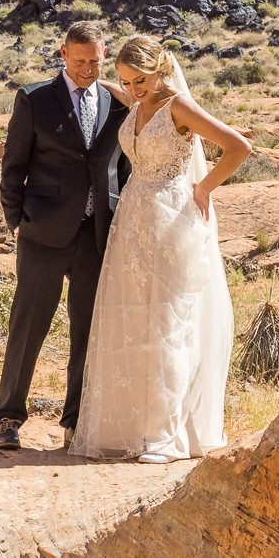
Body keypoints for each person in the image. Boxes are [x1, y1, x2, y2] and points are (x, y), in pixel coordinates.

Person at [70, 34, 251, 463]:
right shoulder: (136, 103)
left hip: (171, 221)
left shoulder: (178, 107)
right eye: (126, 81)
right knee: (135, 322)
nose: (133, 89)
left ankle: (166, 438)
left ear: (160, 70)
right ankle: (132, 430)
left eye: (141, 80)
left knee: (168, 325)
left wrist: (205, 187)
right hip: (132, 222)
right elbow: (103, 91)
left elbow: (239, 147)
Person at [0, 22, 129, 451]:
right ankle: (8, 419)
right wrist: (19, 221)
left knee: (88, 333)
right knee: (27, 328)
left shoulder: (116, 102)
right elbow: (13, 165)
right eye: (81, 59)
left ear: (104, 54)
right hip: (42, 234)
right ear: (64, 53)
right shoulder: (33, 98)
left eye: (96, 60)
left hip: (95, 237)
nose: (88, 68)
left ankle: (75, 424)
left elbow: (120, 168)